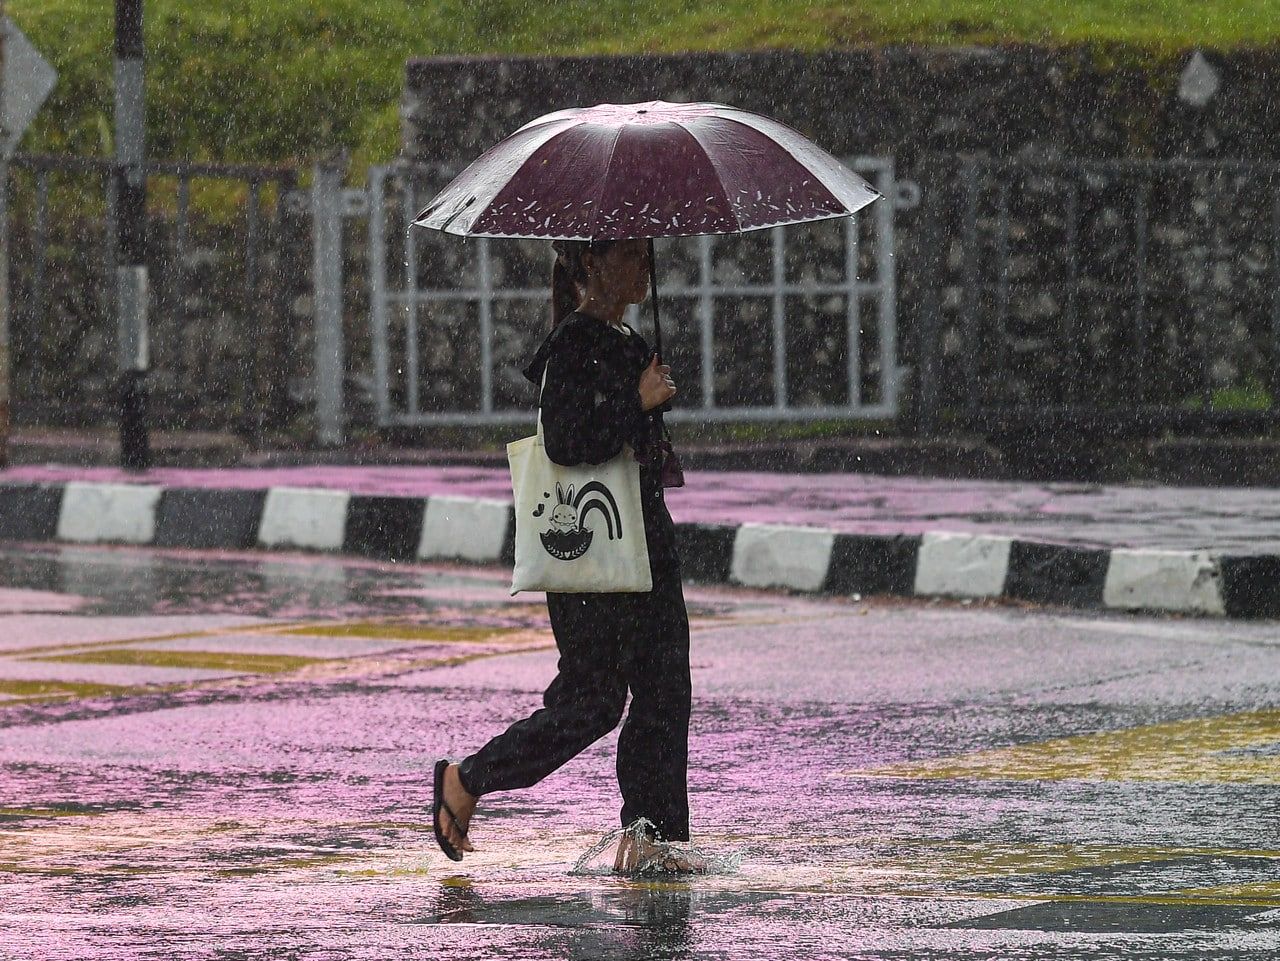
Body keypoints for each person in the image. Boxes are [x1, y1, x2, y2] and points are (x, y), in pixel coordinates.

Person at [432, 236, 702, 874]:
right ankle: (467, 780)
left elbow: (633, 444)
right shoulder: (574, 344)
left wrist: (651, 398)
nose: (646, 265)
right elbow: (568, 441)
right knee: (594, 700)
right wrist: (636, 401)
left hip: (643, 543)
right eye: (632, 254)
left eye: (646, 253)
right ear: (591, 263)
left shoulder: (626, 341)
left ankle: (650, 836)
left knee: (664, 690)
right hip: (592, 553)